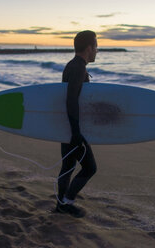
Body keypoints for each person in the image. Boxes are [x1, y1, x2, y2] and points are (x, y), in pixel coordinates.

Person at [56, 30, 98, 218]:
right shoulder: (78, 67)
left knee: (68, 166)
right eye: (96, 46)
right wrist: (76, 132)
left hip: (67, 125)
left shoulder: (71, 65)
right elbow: (71, 100)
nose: (97, 50)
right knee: (90, 168)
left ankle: (60, 204)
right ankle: (67, 202)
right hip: (73, 128)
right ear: (89, 48)